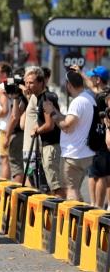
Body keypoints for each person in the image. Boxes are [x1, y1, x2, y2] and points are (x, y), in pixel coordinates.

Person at [43, 71, 96, 202]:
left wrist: (52, 114)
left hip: (73, 154)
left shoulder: (77, 102)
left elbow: (66, 126)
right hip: (85, 152)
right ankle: (81, 212)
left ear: (69, 85)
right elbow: (70, 119)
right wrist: (54, 110)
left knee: (70, 189)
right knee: (75, 189)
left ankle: (75, 215)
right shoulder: (89, 98)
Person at [23, 67, 63, 196]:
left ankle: (62, 207)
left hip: (51, 146)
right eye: (26, 82)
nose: (28, 86)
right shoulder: (39, 98)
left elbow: (50, 125)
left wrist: (37, 131)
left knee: (55, 186)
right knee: (50, 184)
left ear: (41, 82)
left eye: (31, 83)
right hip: (47, 145)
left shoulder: (45, 99)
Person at [85, 66, 110, 208]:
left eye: (93, 77)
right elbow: (90, 85)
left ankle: (97, 206)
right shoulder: (104, 94)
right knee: (100, 174)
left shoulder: (102, 96)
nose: (91, 79)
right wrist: (81, 74)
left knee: (99, 174)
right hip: (102, 139)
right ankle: (101, 205)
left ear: (98, 79)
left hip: (100, 140)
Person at [0, 63, 13, 179]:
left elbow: (5, 110)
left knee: (5, 160)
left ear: (4, 74)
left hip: (5, 128)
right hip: (16, 126)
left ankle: (5, 187)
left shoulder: (1, 87)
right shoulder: (14, 84)